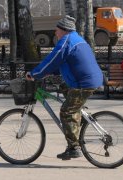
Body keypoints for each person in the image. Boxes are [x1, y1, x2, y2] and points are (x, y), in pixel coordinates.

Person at [26, 15, 103, 160]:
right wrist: (47, 73)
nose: (55, 33)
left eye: (57, 30)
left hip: (83, 83)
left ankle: (73, 147)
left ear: (63, 30)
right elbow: (63, 62)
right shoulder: (78, 39)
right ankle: (77, 118)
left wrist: (35, 74)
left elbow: (52, 60)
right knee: (63, 87)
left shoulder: (66, 41)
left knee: (66, 112)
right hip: (89, 79)